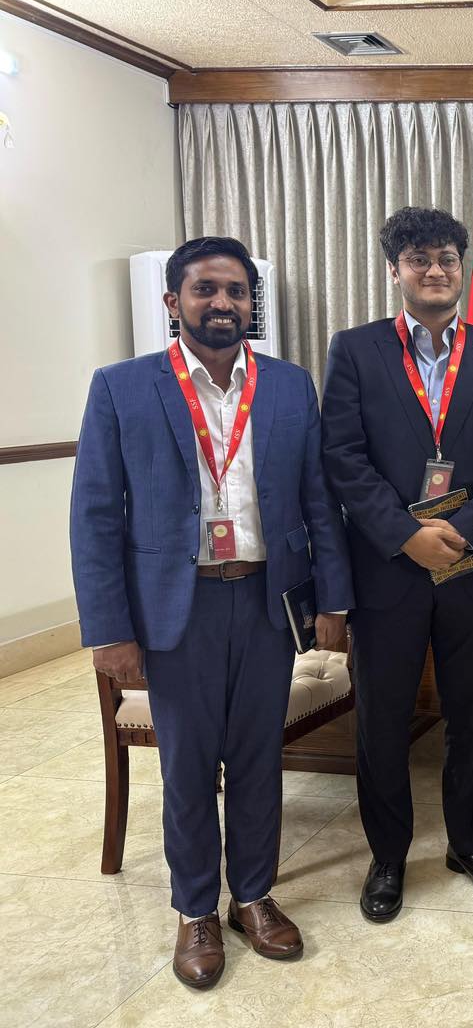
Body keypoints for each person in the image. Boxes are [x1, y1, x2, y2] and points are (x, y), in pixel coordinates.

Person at [71, 237, 352, 988]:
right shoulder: (122, 387)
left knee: (259, 758)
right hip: (176, 609)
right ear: (174, 302)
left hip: (266, 601)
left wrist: (332, 598)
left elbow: (319, 500)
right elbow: (94, 517)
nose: (223, 302)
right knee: (189, 766)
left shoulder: (289, 385)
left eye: (236, 290)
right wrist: (109, 630)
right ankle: (195, 908)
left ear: (250, 302)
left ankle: (252, 896)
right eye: (206, 289)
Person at [321, 206, 473, 921]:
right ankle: (388, 856)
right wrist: (403, 534)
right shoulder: (355, 350)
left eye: (446, 257)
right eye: (419, 259)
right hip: (387, 569)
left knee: (472, 715)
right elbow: (342, 456)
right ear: (396, 271)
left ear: (462, 267)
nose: (435, 270)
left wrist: (464, 530)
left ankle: (470, 845)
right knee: (382, 719)